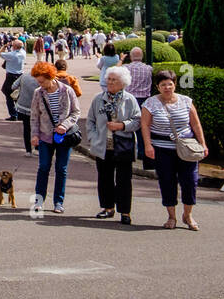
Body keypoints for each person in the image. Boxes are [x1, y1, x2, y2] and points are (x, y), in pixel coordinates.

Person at [142, 69, 208, 231]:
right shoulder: (150, 103)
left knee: (190, 181)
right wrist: (148, 145)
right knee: (167, 182)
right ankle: (171, 216)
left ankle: (188, 215)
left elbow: (195, 124)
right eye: (163, 85)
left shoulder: (185, 101)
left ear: (175, 85)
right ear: (157, 87)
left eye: (170, 84)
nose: (167, 88)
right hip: (162, 149)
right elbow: (145, 125)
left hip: (186, 148)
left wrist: (203, 144)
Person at [87, 66, 139, 225]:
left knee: (124, 179)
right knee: (104, 178)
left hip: (123, 145)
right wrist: (93, 138)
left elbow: (137, 120)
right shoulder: (98, 98)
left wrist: (122, 126)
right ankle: (107, 207)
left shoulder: (129, 99)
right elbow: (91, 121)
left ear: (122, 83)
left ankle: (125, 211)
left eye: (114, 80)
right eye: (108, 79)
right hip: (103, 145)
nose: (109, 82)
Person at [31, 61, 80, 214]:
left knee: (61, 169)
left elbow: (76, 112)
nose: (40, 84)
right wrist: (34, 134)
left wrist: (64, 125)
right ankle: (38, 201)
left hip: (63, 136)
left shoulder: (67, 90)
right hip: (45, 136)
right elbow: (34, 116)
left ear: (50, 77)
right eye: (38, 81)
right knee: (43, 167)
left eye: (42, 81)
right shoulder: (38, 93)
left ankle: (58, 202)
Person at [124, 47, 154, 167]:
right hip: (144, 100)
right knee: (143, 127)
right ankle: (142, 151)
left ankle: (128, 151)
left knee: (128, 126)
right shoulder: (148, 68)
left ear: (131, 57)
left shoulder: (126, 68)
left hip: (129, 99)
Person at [13, 63, 40, 154]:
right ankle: (37, 148)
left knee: (27, 128)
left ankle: (28, 150)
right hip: (37, 108)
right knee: (38, 128)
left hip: (23, 106)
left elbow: (13, 86)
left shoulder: (24, 76)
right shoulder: (41, 80)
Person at [0, 39, 26, 119]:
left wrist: (4, 46)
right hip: (20, 75)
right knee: (17, 94)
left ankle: (13, 114)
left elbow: (0, 53)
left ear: (14, 46)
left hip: (11, 76)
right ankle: (20, 112)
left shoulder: (11, 55)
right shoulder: (23, 53)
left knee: (7, 92)